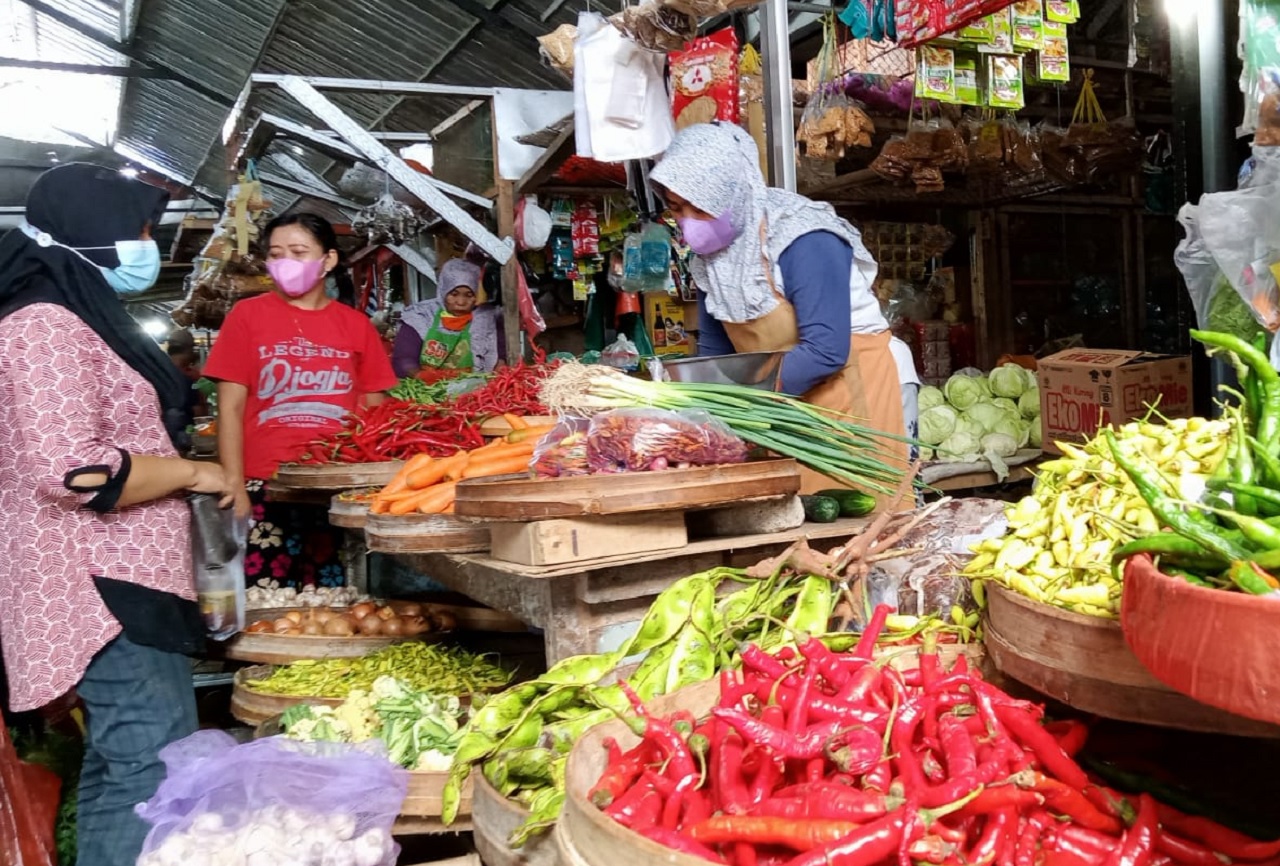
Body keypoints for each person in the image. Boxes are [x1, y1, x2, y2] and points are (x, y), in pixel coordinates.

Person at [0, 163, 232, 866]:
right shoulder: (44, 322)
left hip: (114, 579)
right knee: (150, 761)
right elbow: (75, 470)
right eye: (134, 230)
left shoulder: (68, 310)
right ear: (89, 231)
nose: (144, 244)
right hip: (96, 587)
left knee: (124, 762)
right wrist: (194, 470)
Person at [650, 121, 910, 498]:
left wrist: (744, 404)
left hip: (846, 393)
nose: (689, 221)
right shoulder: (711, 260)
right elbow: (715, 351)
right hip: (777, 404)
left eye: (701, 206)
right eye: (677, 208)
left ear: (733, 193)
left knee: (854, 518)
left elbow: (825, 351)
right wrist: (701, 415)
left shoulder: (804, 236)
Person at [204, 213, 397, 588]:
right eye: (276, 254)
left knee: (340, 597)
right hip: (264, 482)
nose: (285, 262)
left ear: (328, 260)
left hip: (337, 486)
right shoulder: (247, 316)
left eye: (298, 251)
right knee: (267, 598)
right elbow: (229, 407)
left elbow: (375, 409)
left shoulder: (356, 326)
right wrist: (235, 485)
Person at [393, 258, 503, 379]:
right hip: (426, 389)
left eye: (469, 295)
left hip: (473, 391)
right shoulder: (420, 316)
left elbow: (501, 357)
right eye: (454, 294)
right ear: (443, 291)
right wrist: (420, 375)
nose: (461, 302)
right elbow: (404, 358)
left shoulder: (486, 319)